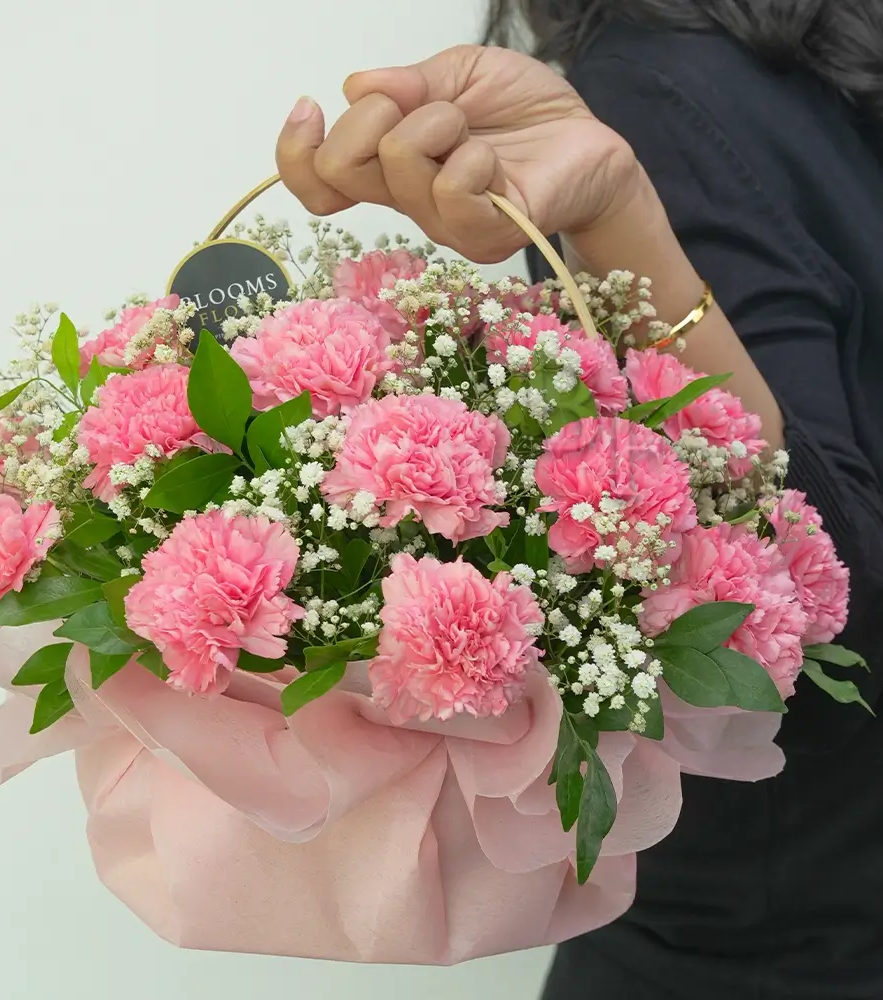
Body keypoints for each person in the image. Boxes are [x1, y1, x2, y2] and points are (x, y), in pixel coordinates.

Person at [275, 2, 883, 997]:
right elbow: (809, 631)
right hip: (781, 950)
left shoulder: (806, 67)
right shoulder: (664, 85)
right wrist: (621, 215)